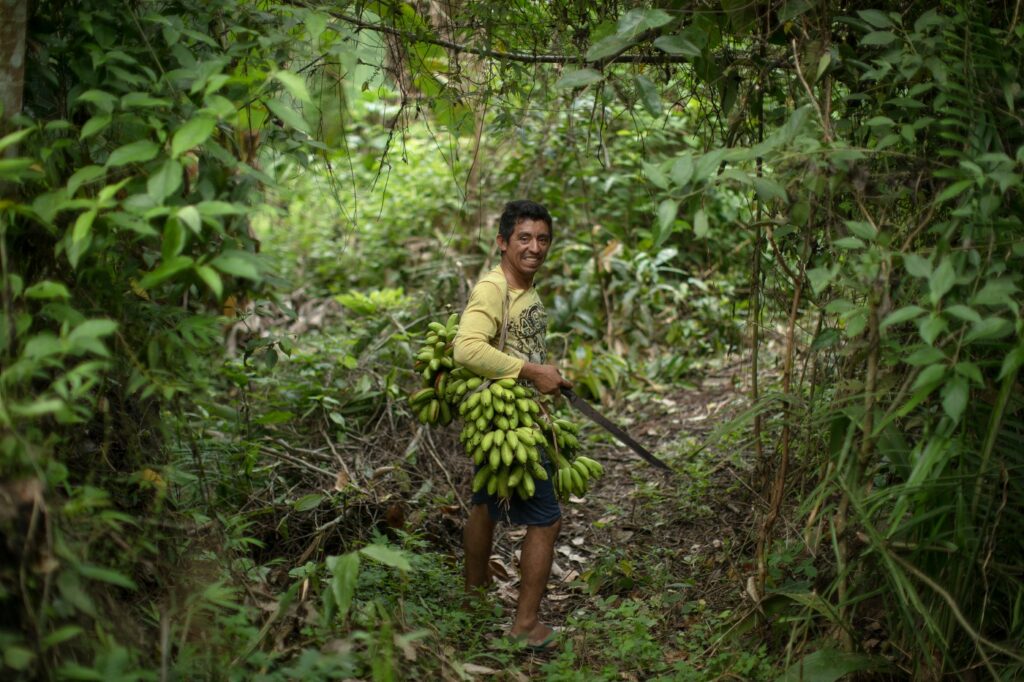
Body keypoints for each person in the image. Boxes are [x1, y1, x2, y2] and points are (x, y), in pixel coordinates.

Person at [453, 199, 572, 651]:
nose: (534, 247)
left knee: (485, 505)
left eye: (542, 239)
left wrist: (548, 374)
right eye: (523, 238)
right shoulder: (493, 287)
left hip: (518, 417)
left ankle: (472, 603)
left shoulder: (526, 287)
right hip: (508, 423)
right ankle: (525, 625)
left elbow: (520, 344)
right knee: (547, 520)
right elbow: (466, 349)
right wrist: (530, 371)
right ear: (502, 242)